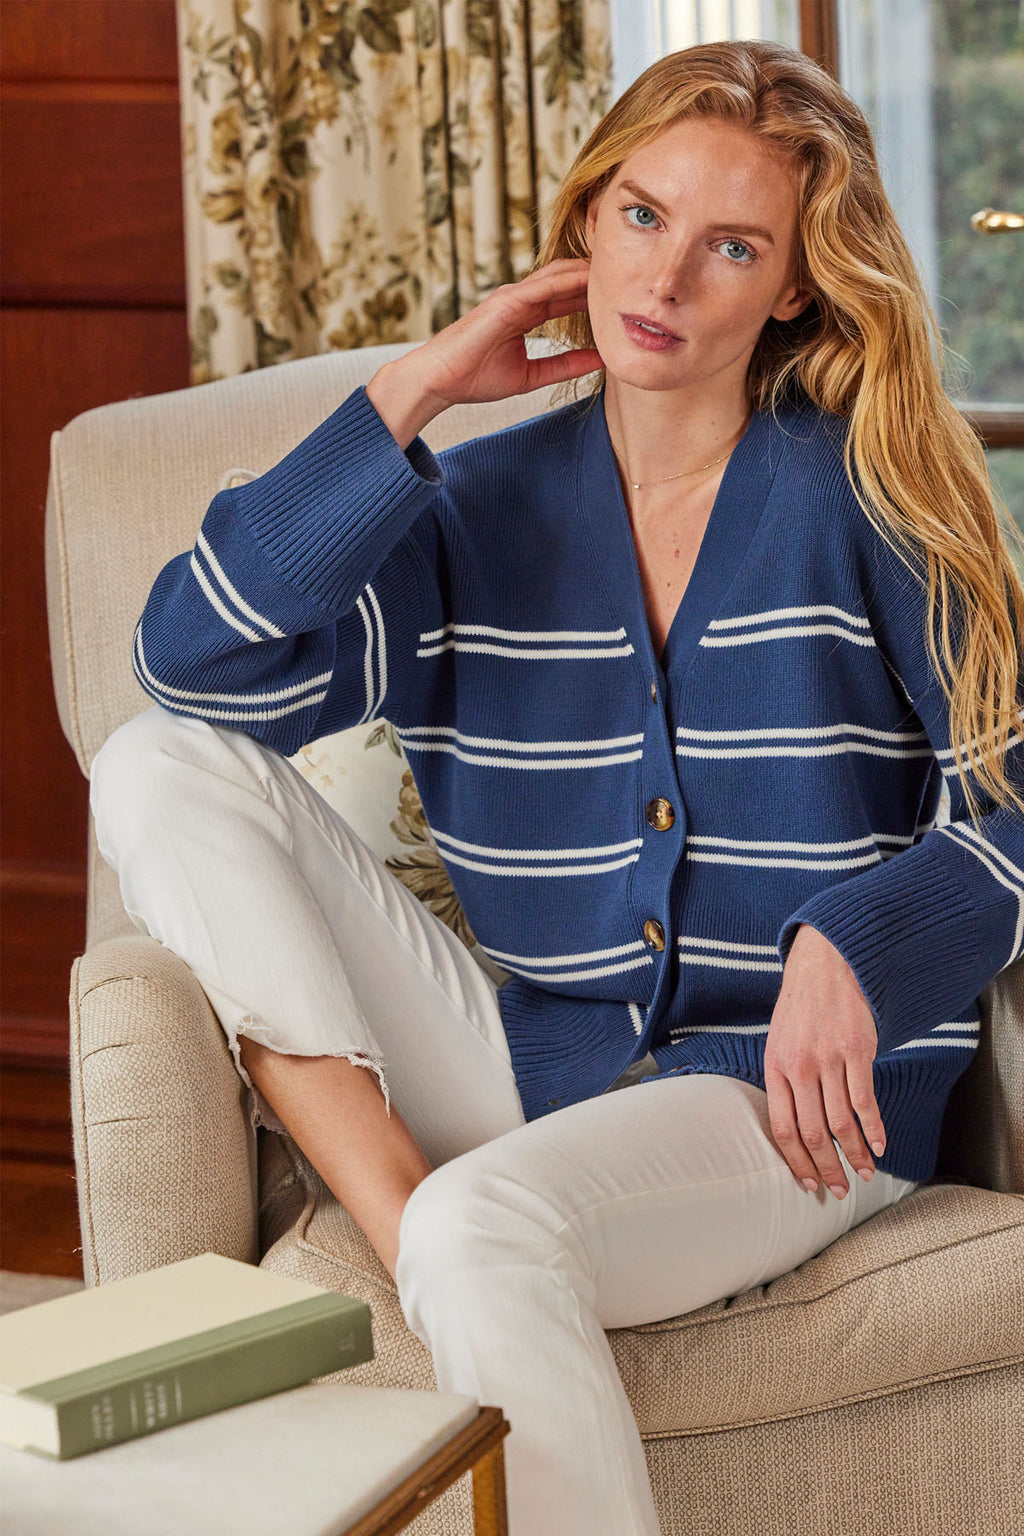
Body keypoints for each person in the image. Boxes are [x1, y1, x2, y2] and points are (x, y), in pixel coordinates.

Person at [89, 39, 1024, 1536]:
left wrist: (865, 941)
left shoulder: (864, 495)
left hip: (786, 1109)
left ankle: (433, 1235)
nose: (666, 281)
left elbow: (1018, 797)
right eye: (641, 217)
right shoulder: (478, 507)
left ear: (792, 287)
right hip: (529, 1060)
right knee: (155, 763)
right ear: (585, 222)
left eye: (733, 246)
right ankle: (414, 1219)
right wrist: (410, 397)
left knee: (486, 1219)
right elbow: (194, 666)